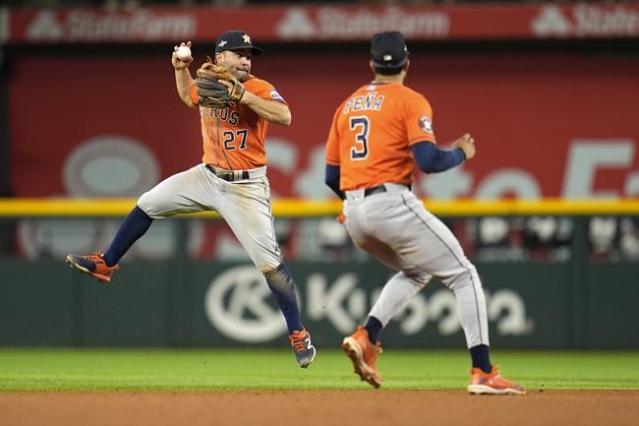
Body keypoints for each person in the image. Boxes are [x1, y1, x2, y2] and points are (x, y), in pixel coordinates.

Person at [66, 30, 316, 368]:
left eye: (249, 54)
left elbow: (284, 116)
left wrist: (243, 95)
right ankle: (107, 263)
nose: (245, 59)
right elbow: (188, 97)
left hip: (246, 186)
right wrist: (180, 68)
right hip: (206, 175)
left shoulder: (257, 87)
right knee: (148, 202)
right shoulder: (210, 80)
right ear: (220, 56)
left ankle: (297, 332)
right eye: (238, 53)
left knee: (270, 266)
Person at [324, 31, 525, 395]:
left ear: (371, 64)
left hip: (353, 212)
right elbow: (429, 161)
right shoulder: (409, 100)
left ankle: (367, 335)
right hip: (389, 201)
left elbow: (331, 176)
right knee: (463, 275)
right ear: (407, 63)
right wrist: (461, 152)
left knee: (416, 271)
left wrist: (354, 203)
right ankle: (483, 372)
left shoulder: (347, 104)